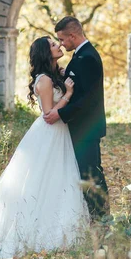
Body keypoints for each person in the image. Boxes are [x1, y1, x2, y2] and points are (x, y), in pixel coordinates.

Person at [0, 36, 90, 259]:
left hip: (60, 134)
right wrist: (68, 94)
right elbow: (50, 115)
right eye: (53, 44)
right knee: (40, 180)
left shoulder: (55, 75)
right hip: (49, 133)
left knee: (58, 179)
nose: (58, 45)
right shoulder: (44, 81)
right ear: (44, 53)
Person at [43, 16, 110, 219]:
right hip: (80, 127)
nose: (61, 44)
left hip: (86, 128)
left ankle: (101, 219)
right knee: (86, 173)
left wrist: (60, 113)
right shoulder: (81, 55)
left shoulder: (88, 57)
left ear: (72, 35)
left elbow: (88, 100)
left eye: (62, 40)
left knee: (91, 175)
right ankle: (95, 217)